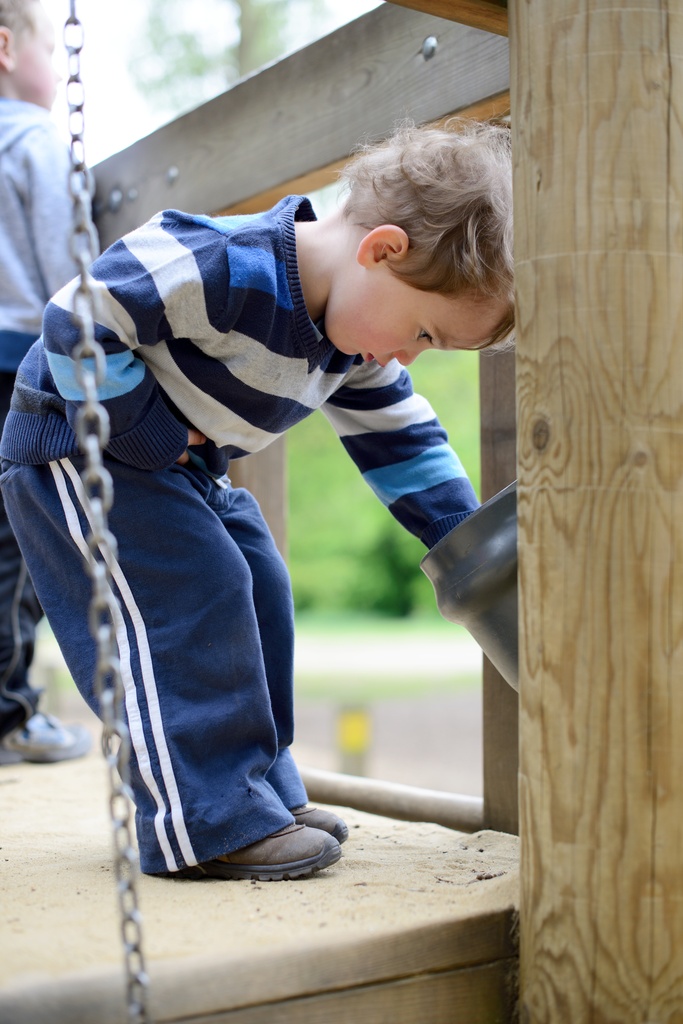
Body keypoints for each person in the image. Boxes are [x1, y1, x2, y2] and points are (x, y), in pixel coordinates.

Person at [0, 117, 514, 879]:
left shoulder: (350, 349)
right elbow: (78, 318)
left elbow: (403, 441)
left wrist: (459, 537)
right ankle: (203, 819)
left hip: (179, 470)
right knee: (193, 595)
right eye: (424, 333)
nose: (407, 356)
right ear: (381, 250)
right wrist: (147, 428)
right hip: (79, 450)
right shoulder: (218, 261)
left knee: (259, 583)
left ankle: (254, 793)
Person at [0, 0, 91, 763]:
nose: (60, 73)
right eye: (51, 52)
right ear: (5, 47)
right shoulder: (33, 140)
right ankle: (8, 713)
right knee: (18, 538)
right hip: (17, 365)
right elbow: (67, 274)